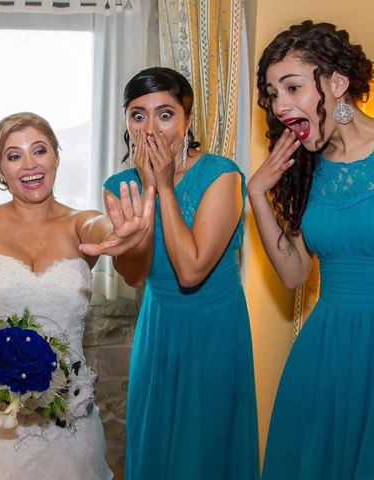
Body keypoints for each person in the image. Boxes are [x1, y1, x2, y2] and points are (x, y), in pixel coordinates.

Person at [0, 111, 154, 479]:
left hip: (66, 413)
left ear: (57, 157)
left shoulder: (81, 222)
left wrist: (120, 228)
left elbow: (101, 229)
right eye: (14, 155)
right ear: (0, 170)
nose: (30, 164)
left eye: (40, 150)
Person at [101, 67, 259, 479]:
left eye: (165, 114)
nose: (150, 128)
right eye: (138, 115)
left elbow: (191, 270)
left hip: (214, 326)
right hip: (159, 324)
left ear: (187, 120)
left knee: (205, 445)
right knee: (155, 438)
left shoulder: (221, 176)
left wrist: (165, 188)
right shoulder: (119, 186)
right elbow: (135, 274)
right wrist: (147, 194)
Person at [249, 21, 374, 479]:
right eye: (272, 92)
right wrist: (258, 194)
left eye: (292, 87)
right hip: (326, 350)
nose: (280, 105)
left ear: (337, 83)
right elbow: (295, 273)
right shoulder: (309, 168)